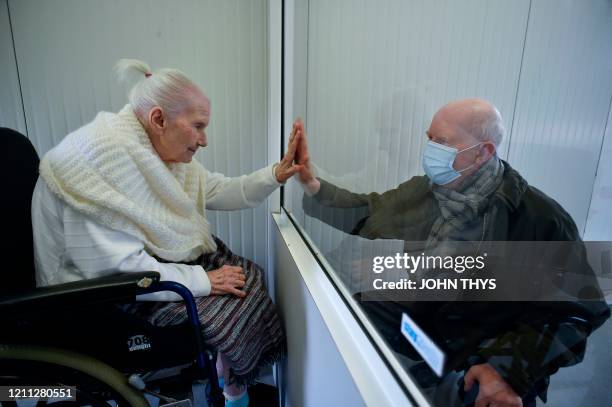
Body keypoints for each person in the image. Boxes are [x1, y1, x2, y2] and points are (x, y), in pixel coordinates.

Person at [293, 98, 610, 407]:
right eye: (429, 139)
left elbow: (577, 313)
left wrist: (506, 369)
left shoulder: (540, 219)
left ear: (483, 152)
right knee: (362, 309)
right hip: (435, 321)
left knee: (480, 391)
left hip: (491, 343)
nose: (430, 150)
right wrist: (312, 184)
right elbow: (367, 211)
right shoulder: (428, 191)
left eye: (442, 141)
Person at [32, 59, 301, 406]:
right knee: (234, 297)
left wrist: (276, 174)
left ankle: (231, 381)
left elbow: (215, 189)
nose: (204, 140)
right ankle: (233, 386)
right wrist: (206, 280)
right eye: (198, 126)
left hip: (126, 267)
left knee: (249, 277)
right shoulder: (94, 162)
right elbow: (118, 269)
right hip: (90, 297)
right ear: (159, 119)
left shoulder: (148, 147)